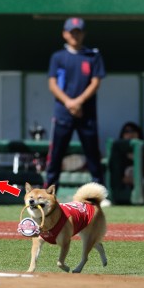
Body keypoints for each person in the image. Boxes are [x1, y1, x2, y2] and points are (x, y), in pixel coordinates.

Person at [46, 17, 106, 189]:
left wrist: (79, 102)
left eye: (78, 32)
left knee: (93, 154)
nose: (75, 36)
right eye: (72, 32)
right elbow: (52, 84)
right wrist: (69, 103)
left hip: (86, 114)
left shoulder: (93, 56)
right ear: (65, 34)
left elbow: (95, 82)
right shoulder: (58, 57)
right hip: (63, 114)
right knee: (56, 156)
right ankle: (49, 192)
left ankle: (99, 193)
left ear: (83, 34)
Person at [117, 122, 144, 204]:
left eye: (133, 131)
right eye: (126, 132)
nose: (130, 134)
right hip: (124, 193)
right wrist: (124, 179)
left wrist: (136, 179)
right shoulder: (118, 155)